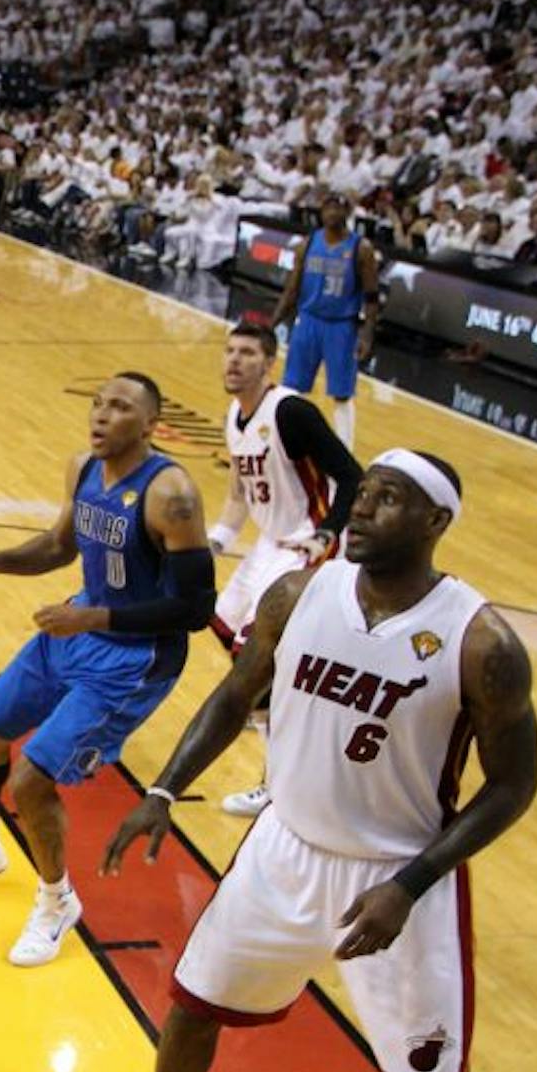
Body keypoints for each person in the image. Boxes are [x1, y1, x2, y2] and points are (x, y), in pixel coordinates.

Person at [83, 449, 537, 1072]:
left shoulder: (481, 642)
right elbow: (233, 692)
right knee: (191, 1008)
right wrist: (163, 790)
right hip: (284, 849)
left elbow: (512, 786)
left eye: (391, 499)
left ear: (437, 522)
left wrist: (409, 885)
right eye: (363, 491)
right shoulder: (298, 595)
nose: (362, 507)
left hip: (398, 874)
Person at [0, 374, 213, 965]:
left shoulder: (170, 494)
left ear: (151, 424)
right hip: (79, 627)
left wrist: (97, 617)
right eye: (98, 404)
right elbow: (59, 547)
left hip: (135, 659)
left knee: (29, 780)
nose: (101, 415)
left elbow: (196, 610)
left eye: (120, 408)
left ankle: (57, 903)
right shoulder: (82, 469)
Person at [206, 322, 361, 816]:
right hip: (268, 544)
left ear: (268, 363)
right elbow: (239, 493)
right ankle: (278, 714)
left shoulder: (290, 411)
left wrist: (327, 533)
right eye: (229, 351)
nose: (234, 360)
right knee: (222, 619)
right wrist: (217, 540)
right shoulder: (235, 415)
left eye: (247, 353)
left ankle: (278, 782)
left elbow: (353, 475)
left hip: (305, 545)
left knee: (256, 654)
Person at [270, 191, 380, 446]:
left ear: (347, 213)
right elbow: (292, 289)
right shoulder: (307, 244)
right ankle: (286, 439)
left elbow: (371, 295)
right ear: (321, 212)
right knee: (292, 388)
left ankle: (345, 449)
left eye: (338, 208)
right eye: (327, 207)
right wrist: (271, 324)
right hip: (308, 320)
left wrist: (367, 333)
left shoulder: (360, 248)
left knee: (341, 393)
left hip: (341, 325)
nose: (332, 213)